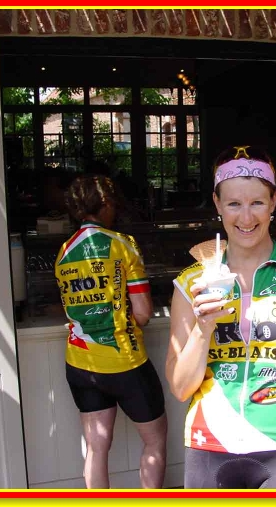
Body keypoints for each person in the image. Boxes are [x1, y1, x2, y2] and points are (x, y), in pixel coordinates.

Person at [166, 145, 276, 489]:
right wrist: (203, 328)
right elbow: (180, 387)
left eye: (257, 203)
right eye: (234, 204)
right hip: (209, 443)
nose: (246, 218)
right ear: (217, 204)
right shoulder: (191, 285)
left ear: (274, 202)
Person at [54, 174, 167, 489]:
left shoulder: (64, 250)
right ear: (104, 204)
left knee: (96, 448)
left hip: (80, 362)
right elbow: (143, 313)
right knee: (155, 441)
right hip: (125, 361)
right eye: (113, 204)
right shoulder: (122, 244)